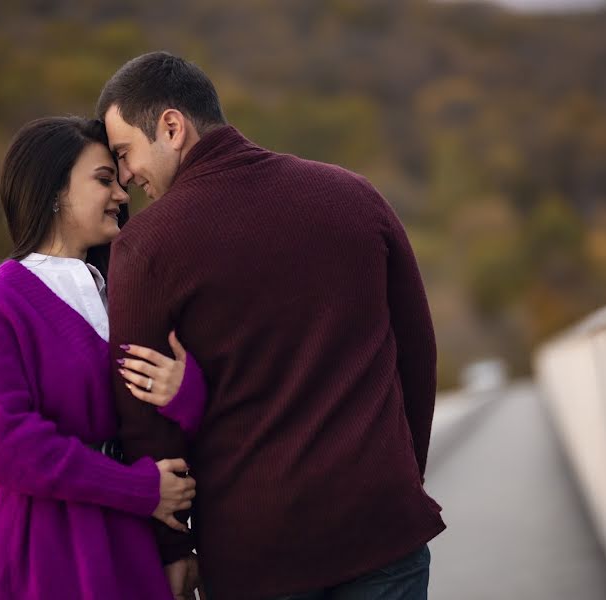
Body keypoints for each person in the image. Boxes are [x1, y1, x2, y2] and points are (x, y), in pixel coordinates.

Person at [98, 52, 446, 600]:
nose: (124, 176)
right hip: (382, 528)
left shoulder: (145, 248)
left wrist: (174, 551)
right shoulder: (355, 196)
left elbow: (144, 422)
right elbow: (418, 356)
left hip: (254, 555)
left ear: (171, 126)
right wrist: (401, 481)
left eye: (124, 153)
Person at [0, 116, 207, 599]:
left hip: (134, 542)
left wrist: (185, 391)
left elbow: (175, 421)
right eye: (104, 180)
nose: (122, 195)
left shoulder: (131, 293)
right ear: (53, 190)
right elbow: (8, 447)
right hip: (46, 551)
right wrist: (138, 490)